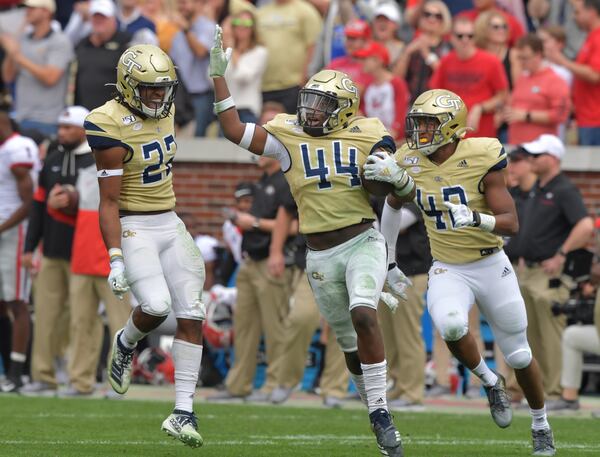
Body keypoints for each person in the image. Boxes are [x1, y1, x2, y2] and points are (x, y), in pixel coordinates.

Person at [210, 25, 410, 457]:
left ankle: (380, 413)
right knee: (350, 344)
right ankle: (373, 405)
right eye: (309, 101)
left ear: (343, 108)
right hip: (318, 255)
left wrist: (390, 175)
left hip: (362, 241)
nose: (311, 110)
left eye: (321, 103)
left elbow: (387, 188)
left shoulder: (368, 130)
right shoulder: (287, 135)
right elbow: (232, 128)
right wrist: (218, 78)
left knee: (364, 314)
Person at [364, 89, 556, 456]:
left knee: (518, 354)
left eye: (427, 124)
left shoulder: (482, 154)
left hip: (490, 263)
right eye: (416, 123)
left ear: (450, 127)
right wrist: (388, 261)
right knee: (451, 325)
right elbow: (391, 205)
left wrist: (477, 218)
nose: (419, 131)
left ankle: (540, 423)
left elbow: (511, 223)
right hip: (448, 266)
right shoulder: (408, 159)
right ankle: (489, 380)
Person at [85, 44, 206, 448]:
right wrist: (115, 257)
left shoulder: (167, 109)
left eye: (163, 88)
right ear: (126, 85)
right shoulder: (107, 123)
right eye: (149, 88)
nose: (158, 96)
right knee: (155, 306)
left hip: (170, 221)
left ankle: (183, 413)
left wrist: (218, 78)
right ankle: (126, 342)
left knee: (192, 313)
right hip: (134, 224)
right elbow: (109, 201)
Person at [22, 106, 96, 395]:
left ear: (84, 130)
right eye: (60, 127)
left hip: (83, 254)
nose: (62, 132)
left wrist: (73, 202)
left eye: (68, 127)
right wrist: (30, 248)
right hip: (52, 251)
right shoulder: (52, 160)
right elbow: (38, 208)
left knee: (81, 319)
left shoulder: (96, 160)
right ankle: (43, 375)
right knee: (45, 315)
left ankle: (81, 377)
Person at [517, 134, 595, 399]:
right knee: (533, 336)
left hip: (550, 274)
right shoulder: (538, 188)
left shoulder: (564, 189)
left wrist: (561, 255)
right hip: (531, 271)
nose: (531, 160)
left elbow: (585, 226)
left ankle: (558, 390)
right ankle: (541, 391)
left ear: (552, 158)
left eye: (536, 156)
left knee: (551, 334)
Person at [0, 110, 39, 393]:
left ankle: (17, 372)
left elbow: (30, 201)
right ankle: (8, 369)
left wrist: (1, 228)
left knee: (17, 301)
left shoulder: (18, 147)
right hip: (3, 230)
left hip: (14, 233)